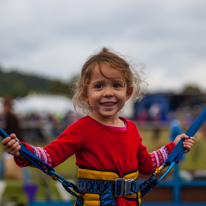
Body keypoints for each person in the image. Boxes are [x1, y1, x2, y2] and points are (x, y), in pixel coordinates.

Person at [2, 47, 195, 206]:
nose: (108, 93)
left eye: (116, 85)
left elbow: (146, 165)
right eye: (99, 86)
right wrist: (22, 151)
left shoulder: (132, 129)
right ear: (86, 94)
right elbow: (49, 157)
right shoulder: (82, 129)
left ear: (127, 92)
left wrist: (174, 148)